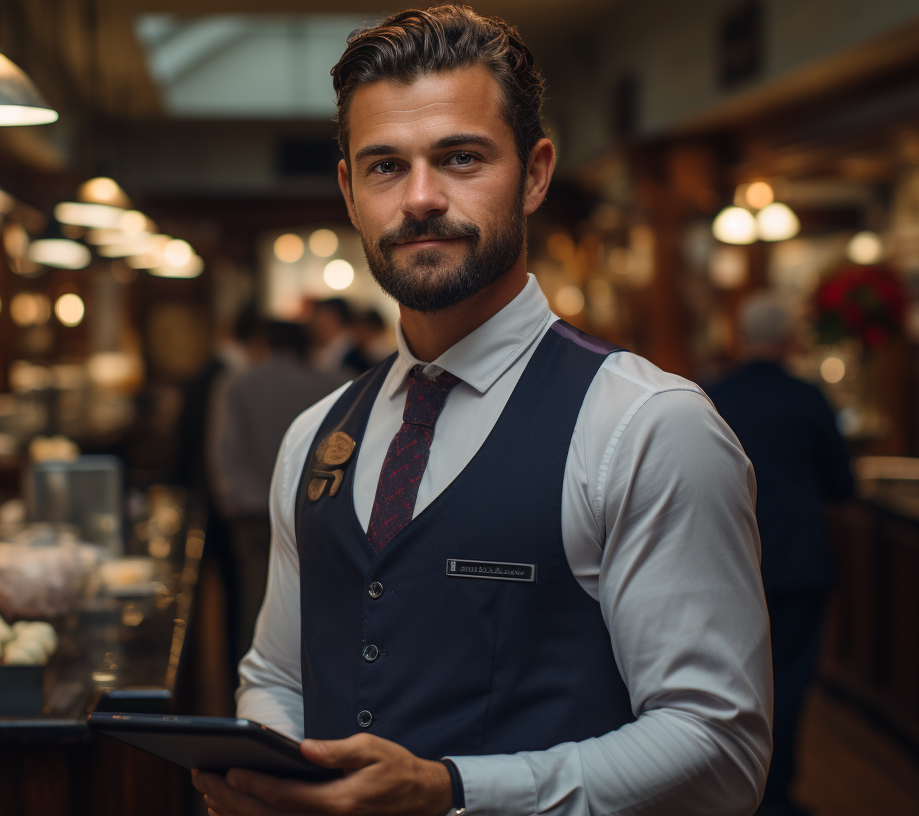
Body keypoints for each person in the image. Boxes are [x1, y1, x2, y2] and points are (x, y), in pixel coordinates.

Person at [193, 7, 771, 816]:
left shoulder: (647, 425)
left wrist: (454, 792)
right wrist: (275, 777)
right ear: (350, 192)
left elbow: (718, 749)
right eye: (386, 166)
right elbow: (277, 677)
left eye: (460, 158)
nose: (421, 198)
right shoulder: (315, 436)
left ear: (534, 175)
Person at [706, 292, 855, 816]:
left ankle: (724, 794)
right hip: (795, 562)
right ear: (790, 340)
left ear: (741, 337)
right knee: (788, 684)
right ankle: (776, 797)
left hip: (720, 562)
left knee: (722, 681)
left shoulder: (709, 395)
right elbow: (843, 484)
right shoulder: (808, 398)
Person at [209, 321, 348, 664]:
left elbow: (225, 454)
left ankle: (255, 704)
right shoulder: (335, 384)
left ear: (263, 344)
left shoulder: (239, 384)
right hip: (320, 512)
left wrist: (238, 501)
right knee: (321, 607)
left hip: (254, 516)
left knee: (258, 611)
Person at [309, 297, 367, 376]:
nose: (314, 323)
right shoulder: (321, 352)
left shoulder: (356, 359)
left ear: (334, 318)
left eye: (319, 316)